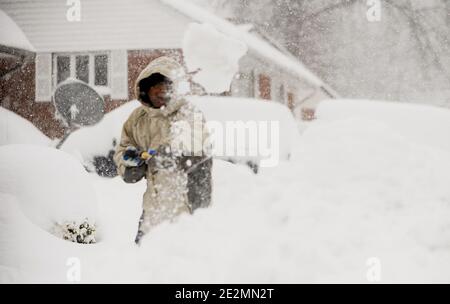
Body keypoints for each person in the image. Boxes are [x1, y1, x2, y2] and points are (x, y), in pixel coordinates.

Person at [113, 56, 212, 244]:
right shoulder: (139, 118)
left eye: (164, 89)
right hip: (152, 210)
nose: (159, 95)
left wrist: (167, 154)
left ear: (174, 89)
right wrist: (128, 165)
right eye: (154, 90)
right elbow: (124, 147)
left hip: (184, 208)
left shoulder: (188, 113)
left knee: (182, 262)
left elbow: (196, 146)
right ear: (145, 90)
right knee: (143, 263)